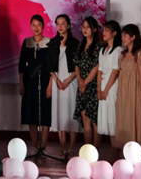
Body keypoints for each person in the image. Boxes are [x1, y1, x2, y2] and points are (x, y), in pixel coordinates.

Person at [48, 14, 80, 160]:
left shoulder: (75, 43)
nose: (60, 26)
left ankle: (71, 148)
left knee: (71, 113)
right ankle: (63, 147)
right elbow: (49, 65)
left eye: (63, 23)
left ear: (68, 25)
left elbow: (78, 65)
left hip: (71, 80)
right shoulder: (53, 43)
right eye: (58, 24)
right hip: (57, 81)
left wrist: (68, 80)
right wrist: (56, 80)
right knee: (60, 113)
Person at [18, 14, 51, 153]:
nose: (36, 28)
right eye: (33, 25)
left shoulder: (49, 43)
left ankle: (43, 147)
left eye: (39, 25)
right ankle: (35, 146)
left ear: (43, 26)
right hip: (29, 82)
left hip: (45, 82)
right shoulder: (27, 42)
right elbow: (21, 65)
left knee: (45, 114)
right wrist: (21, 83)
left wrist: (50, 85)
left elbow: (52, 67)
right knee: (30, 114)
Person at [115, 24, 141, 147]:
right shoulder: (122, 55)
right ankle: (126, 148)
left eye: (125, 35)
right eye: (122, 35)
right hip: (123, 93)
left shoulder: (139, 54)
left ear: (133, 37)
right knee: (125, 118)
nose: (123, 38)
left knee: (135, 117)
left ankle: (137, 149)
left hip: (135, 92)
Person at [73, 16, 101, 147]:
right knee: (85, 119)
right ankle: (88, 149)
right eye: (83, 26)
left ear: (94, 29)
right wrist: (80, 80)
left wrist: (85, 83)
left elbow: (96, 67)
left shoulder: (98, 47)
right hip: (81, 85)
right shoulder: (81, 45)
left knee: (94, 120)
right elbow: (77, 65)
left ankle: (96, 151)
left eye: (88, 27)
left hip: (93, 86)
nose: (84, 29)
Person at [96, 20, 122, 156]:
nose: (104, 32)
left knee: (113, 119)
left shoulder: (118, 50)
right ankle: (113, 152)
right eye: (104, 29)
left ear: (114, 33)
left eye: (107, 30)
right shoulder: (102, 50)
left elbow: (115, 71)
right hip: (103, 85)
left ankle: (116, 153)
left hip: (112, 87)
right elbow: (100, 70)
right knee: (106, 118)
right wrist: (99, 90)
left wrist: (105, 91)